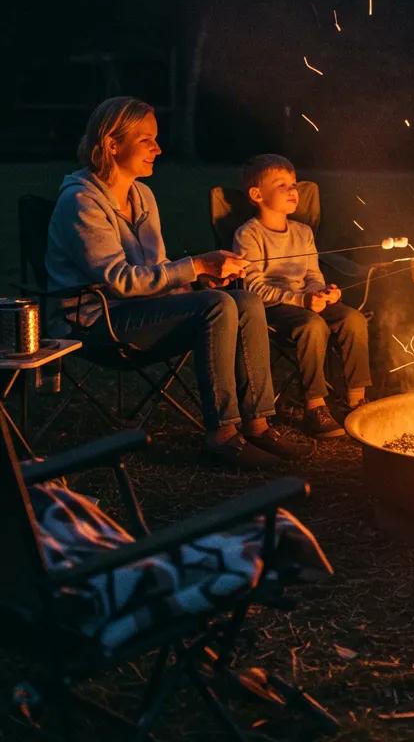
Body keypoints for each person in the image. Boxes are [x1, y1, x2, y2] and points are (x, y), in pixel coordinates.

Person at [46, 97, 310, 468]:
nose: (158, 148)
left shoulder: (142, 195)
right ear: (111, 144)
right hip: (95, 323)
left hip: (142, 310)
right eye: (146, 140)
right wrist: (196, 265)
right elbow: (120, 281)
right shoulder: (81, 201)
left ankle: (257, 424)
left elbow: (155, 270)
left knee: (244, 300)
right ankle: (222, 436)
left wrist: (199, 280)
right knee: (216, 306)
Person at [233, 154, 371, 438]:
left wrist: (322, 292)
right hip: (272, 306)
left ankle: (357, 401)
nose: (292, 190)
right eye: (281, 185)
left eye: (294, 184)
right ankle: (315, 406)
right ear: (257, 195)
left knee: (354, 319)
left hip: (306, 300)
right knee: (312, 325)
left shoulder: (303, 232)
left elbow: (312, 274)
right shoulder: (248, 235)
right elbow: (253, 287)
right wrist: (301, 301)